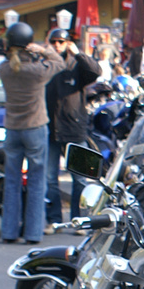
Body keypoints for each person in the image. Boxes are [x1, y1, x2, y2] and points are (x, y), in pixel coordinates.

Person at [0, 22, 63, 245]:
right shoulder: (37, 71)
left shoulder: (4, 69)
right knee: (37, 182)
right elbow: (59, 62)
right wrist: (43, 49)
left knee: (12, 181)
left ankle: (9, 231)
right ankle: (33, 233)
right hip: (35, 128)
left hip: (13, 128)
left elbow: (8, 61)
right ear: (28, 45)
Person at [44, 31, 102, 224]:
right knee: (50, 178)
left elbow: (95, 71)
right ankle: (54, 220)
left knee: (80, 179)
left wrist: (79, 54)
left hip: (74, 128)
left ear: (68, 43)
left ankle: (78, 219)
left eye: (61, 41)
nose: (57, 45)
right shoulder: (46, 64)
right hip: (51, 128)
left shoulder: (77, 64)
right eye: (53, 42)